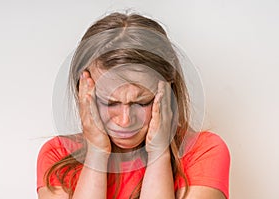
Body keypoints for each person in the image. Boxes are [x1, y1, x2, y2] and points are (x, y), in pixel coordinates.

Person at [36, 12, 230, 199]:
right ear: (84, 93)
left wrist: (159, 153)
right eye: (110, 102)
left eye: (141, 102)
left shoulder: (204, 151)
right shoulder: (57, 155)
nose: (125, 120)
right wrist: (96, 154)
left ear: (167, 91)